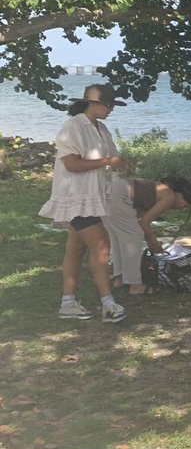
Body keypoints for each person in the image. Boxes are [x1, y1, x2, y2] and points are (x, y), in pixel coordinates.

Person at [40, 84, 130, 323]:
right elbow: (72, 164)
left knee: (76, 249)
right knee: (101, 246)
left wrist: (119, 164)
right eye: (108, 105)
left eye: (113, 106)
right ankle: (108, 305)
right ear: (92, 103)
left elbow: (110, 157)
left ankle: (68, 303)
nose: (111, 110)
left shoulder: (101, 129)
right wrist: (108, 161)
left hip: (91, 198)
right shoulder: (73, 127)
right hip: (75, 198)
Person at [104, 176, 191, 295]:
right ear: (179, 193)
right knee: (134, 239)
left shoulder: (160, 191)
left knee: (119, 239)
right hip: (120, 197)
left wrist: (149, 238)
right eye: (185, 202)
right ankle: (135, 286)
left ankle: (119, 279)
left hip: (110, 193)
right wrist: (154, 243)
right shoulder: (169, 196)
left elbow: (139, 218)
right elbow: (144, 223)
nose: (183, 207)